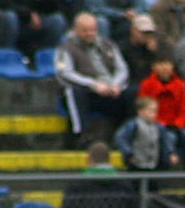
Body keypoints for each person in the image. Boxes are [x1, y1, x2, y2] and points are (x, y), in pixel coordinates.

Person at [55, 11, 130, 146]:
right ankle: (79, 134)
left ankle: (124, 136)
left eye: (93, 30)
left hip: (108, 89)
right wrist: (93, 84)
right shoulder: (65, 49)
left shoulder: (108, 45)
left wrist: (115, 84)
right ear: (76, 30)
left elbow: (122, 68)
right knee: (73, 91)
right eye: (85, 30)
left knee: (131, 93)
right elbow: (65, 74)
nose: (90, 33)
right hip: (86, 92)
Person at [138, 55, 185, 168]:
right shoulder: (146, 85)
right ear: (154, 67)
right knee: (169, 138)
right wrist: (160, 124)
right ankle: (167, 169)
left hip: (177, 124)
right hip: (156, 124)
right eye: (161, 64)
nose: (164, 68)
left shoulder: (180, 85)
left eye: (167, 64)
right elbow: (143, 106)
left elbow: (184, 109)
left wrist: (178, 124)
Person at [113, 95, 179, 171]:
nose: (154, 114)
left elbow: (166, 142)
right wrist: (129, 154)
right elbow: (120, 139)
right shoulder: (133, 125)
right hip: (136, 164)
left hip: (154, 164)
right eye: (150, 111)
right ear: (140, 112)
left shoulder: (159, 127)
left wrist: (170, 153)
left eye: (155, 111)